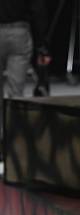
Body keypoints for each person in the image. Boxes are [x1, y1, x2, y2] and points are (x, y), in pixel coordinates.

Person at [0, 0, 51, 151]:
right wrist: (42, 45)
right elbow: (38, 10)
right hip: (18, 33)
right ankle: (12, 143)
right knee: (15, 93)